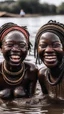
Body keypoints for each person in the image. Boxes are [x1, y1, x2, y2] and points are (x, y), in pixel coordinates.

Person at [0, 22, 38, 99]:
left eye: (22, 45)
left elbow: (32, 100)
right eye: (10, 45)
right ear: (1, 48)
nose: (15, 49)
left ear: (27, 48)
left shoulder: (31, 70)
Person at [34, 20, 64, 100]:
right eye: (43, 45)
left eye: (56, 45)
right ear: (37, 49)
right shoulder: (42, 75)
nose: (49, 50)